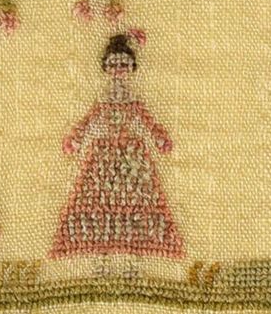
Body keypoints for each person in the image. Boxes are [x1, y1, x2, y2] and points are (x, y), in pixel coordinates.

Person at [50, 34, 185, 274]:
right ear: (105, 66)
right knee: (100, 205)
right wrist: (76, 138)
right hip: (104, 156)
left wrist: (159, 137)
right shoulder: (104, 97)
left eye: (124, 64)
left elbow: (146, 120)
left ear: (132, 67)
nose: (119, 69)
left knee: (134, 204)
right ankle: (102, 261)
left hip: (131, 155)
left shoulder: (133, 98)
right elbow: (90, 119)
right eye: (114, 64)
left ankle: (132, 261)